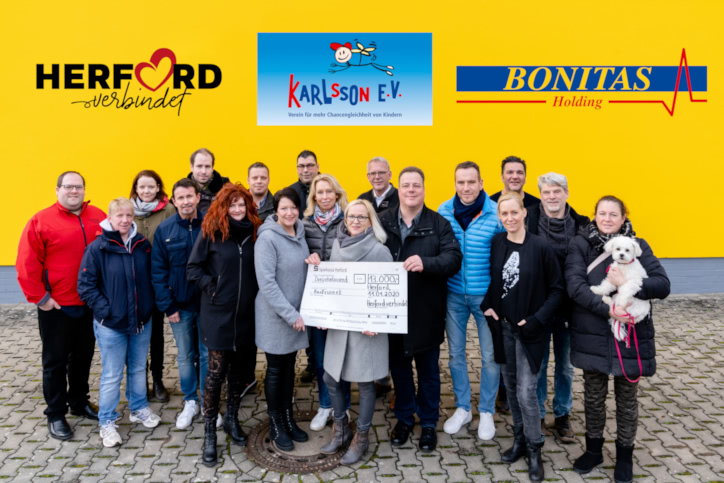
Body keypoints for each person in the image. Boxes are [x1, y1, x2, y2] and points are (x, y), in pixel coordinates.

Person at [566, 195, 670, 483]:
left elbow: (662, 285)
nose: (608, 219)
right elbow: (575, 285)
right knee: (593, 397)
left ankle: (624, 456)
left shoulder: (639, 245)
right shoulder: (581, 245)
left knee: (627, 399)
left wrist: (627, 285)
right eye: (602, 213)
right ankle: (593, 451)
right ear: (595, 216)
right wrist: (609, 310)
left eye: (614, 214)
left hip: (630, 336)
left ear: (624, 217)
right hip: (592, 333)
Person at [379, 167, 462, 453]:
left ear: (424, 189)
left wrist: (427, 262)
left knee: (428, 372)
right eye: (406, 185)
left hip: (426, 311)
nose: (411, 190)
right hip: (392, 312)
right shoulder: (382, 221)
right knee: (400, 370)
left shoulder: (439, 223)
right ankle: (404, 418)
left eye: (416, 185)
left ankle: (428, 423)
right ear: (398, 189)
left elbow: (453, 258)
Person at [16, 171, 104, 440]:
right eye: (68, 187)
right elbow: (26, 263)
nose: (73, 191)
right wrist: (41, 298)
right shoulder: (41, 220)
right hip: (56, 306)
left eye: (78, 187)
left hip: (89, 304)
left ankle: (78, 401)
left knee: (83, 357)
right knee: (55, 362)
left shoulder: (98, 217)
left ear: (84, 190)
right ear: (57, 190)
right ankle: (55, 413)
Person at [482, 192, 564, 482]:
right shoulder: (497, 242)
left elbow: (557, 290)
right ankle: (519, 439)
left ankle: (535, 448)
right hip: (503, 328)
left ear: (524, 212)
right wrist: (488, 305)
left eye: (514, 212)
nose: (509, 218)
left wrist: (536, 320)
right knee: (511, 386)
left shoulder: (540, 247)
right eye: (504, 214)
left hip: (530, 332)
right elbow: (497, 280)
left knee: (527, 392)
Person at [308, 199, 393, 464]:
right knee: (331, 378)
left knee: (365, 384)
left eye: (361, 217)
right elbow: (335, 287)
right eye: (351, 217)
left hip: (366, 330)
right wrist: (323, 312)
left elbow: (389, 293)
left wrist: (377, 322)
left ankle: (362, 437)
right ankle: (341, 429)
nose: (355, 221)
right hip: (340, 327)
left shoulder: (379, 251)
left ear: (370, 221)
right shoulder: (338, 245)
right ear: (344, 220)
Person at [187, 183, 261, 466]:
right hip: (218, 315)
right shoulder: (211, 231)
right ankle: (209, 432)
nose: (238, 209)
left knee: (238, 375)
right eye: (233, 205)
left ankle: (231, 418)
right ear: (223, 207)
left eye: (242, 204)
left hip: (246, 316)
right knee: (215, 375)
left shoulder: (256, 233)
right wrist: (212, 286)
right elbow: (193, 268)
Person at [77, 198, 161, 448]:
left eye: (128, 215)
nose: (124, 220)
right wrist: (108, 310)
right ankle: (107, 420)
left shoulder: (142, 245)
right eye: (119, 216)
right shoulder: (98, 248)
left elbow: (152, 278)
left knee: (138, 368)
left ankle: (138, 408)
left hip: (141, 321)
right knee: (112, 374)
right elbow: (86, 286)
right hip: (111, 325)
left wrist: (148, 307)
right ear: (110, 218)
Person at [437, 161, 504, 440]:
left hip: (485, 297)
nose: (466, 188)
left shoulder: (495, 213)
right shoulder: (444, 211)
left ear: (481, 183)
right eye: (461, 182)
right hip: (453, 294)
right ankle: (463, 408)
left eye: (471, 182)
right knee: (455, 355)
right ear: (455, 184)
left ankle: (486, 411)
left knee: (489, 357)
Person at [526, 172, 589, 443]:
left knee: (565, 365)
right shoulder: (529, 219)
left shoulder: (581, 224)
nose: (552, 197)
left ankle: (562, 415)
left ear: (566, 193)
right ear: (540, 195)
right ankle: (539, 415)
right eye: (546, 192)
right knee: (538, 365)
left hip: (569, 307)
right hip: (538, 307)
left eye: (556, 191)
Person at [152, 178, 216, 429]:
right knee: (185, 355)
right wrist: (168, 306)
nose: (186, 201)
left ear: (198, 198)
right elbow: (158, 271)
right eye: (181, 198)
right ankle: (190, 401)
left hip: (208, 305)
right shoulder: (164, 230)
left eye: (190, 196)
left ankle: (208, 402)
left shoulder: (211, 225)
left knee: (207, 354)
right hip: (179, 307)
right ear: (174, 201)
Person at [254, 188, 311, 451]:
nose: (289, 213)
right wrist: (291, 315)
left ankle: (288, 417)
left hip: (296, 315)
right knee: (276, 370)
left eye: (293, 208)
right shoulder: (267, 238)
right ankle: (276, 422)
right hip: (277, 317)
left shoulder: (300, 232)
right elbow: (267, 283)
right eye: (284, 208)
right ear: (275, 210)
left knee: (290, 369)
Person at [302, 173, 352, 431]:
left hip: (343, 299)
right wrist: (308, 258)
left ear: (337, 194)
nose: (324, 196)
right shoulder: (304, 223)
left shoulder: (348, 221)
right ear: (314, 196)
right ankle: (324, 405)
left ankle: (343, 406)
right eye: (319, 192)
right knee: (321, 358)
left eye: (328, 191)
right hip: (317, 302)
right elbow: (297, 253)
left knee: (343, 357)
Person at [130, 169, 177, 403]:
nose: (147, 191)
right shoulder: (128, 211)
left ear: (158, 187)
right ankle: (139, 382)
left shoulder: (169, 210)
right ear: (136, 189)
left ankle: (157, 379)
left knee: (156, 335)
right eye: (142, 187)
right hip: (134, 285)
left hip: (158, 282)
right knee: (137, 333)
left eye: (151, 186)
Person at [188, 148, 230, 214]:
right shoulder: (181, 189)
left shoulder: (226, 188)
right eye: (199, 166)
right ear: (191, 167)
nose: (203, 171)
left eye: (207, 166)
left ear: (212, 168)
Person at [287, 149, 320, 218]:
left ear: (317, 167)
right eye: (301, 166)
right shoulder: (289, 192)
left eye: (310, 165)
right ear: (297, 169)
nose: (305, 170)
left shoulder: (330, 188)